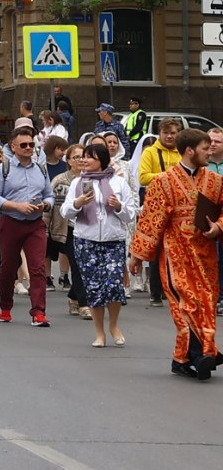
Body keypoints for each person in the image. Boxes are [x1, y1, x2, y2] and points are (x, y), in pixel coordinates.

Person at [128, 126, 223, 377]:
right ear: (190, 150)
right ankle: (200, 355)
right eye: (205, 148)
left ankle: (183, 359)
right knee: (186, 303)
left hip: (206, 255)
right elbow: (151, 220)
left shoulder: (216, 181)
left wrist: (218, 227)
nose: (210, 151)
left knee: (205, 302)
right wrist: (138, 255)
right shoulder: (163, 181)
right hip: (176, 253)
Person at [61, 140, 135, 348]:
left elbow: (130, 215)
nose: (84, 160)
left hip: (113, 241)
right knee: (93, 288)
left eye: (90, 157)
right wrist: (78, 203)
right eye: (83, 156)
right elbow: (65, 211)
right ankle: (99, 333)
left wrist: (119, 206)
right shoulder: (78, 183)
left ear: (101, 160)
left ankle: (114, 326)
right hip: (86, 240)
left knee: (113, 285)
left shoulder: (119, 183)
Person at [0, 123, 55, 327]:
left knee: (37, 269)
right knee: (8, 267)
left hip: (35, 224)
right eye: (23, 144)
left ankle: (38, 312)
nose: (28, 148)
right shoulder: (3, 169)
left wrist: (46, 205)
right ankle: (5, 306)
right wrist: (16, 206)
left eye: (31, 144)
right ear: (13, 147)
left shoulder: (41, 170)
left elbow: (50, 195)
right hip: (11, 222)